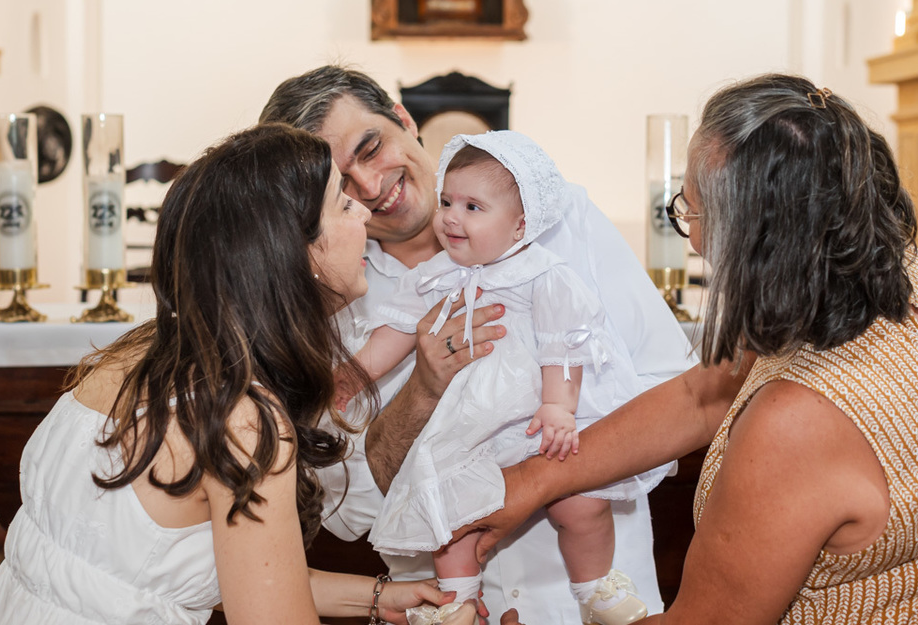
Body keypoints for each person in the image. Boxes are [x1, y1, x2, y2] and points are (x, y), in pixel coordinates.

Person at [461, 74, 918, 624]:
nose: (694, 241)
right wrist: (535, 480)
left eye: (691, 213)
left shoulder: (800, 420)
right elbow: (704, 394)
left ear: (755, 239)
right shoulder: (899, 274)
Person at [0, 124, 463, 625]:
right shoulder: (241, 421)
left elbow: (226, 577)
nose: (364, 211)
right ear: (293, 254)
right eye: (342, 203)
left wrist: (380, 599)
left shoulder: (144, 349)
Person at [259, 66, 696, 623]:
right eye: (340, 182)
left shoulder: (557, 221)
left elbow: (679, 400)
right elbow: (351, 509)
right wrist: (420, 389)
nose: (370, 188)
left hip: (578, 601)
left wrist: (538, 482)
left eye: (371, 148)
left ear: (404, 118)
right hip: (445, 606)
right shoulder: (328, 295)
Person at [340, 133, 666, 624]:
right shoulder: (435, 275)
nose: (451, 215)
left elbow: (564, 342)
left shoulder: (546, 273)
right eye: (448, 201)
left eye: (473, 207)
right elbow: (398, 330)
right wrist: (355, 375)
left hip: (534, 423)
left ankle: (596, 588)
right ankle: (457, 601)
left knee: (581, 506)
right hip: (472, 427)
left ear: (519, 226)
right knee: (453, 520)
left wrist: (558, 405)